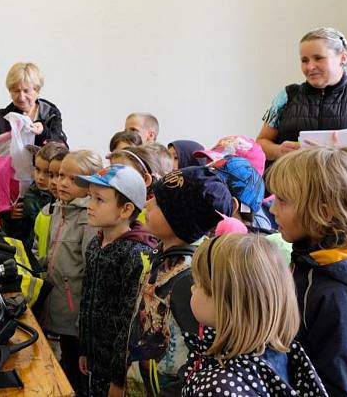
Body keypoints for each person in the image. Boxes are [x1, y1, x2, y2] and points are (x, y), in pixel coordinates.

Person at [267, 146, 347, 396]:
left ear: (324, 213)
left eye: (282, 200)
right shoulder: (311, 257)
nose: (272, 209)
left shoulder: (340, 297)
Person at [111, 167, 233, 397]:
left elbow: (195, 357)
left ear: (180, 219)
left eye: (157, 203)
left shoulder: (189, 279)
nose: (147, 205)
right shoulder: (162, 256)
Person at [256, 27, 347, 224]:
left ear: (343, 58)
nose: (309, 66)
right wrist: (279, 151)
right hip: (299, 208)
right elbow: (261, 143)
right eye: (304, 60)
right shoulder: (287, 96)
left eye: (318, 58)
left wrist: (332, 159)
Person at [182, 234, 328, 396]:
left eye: (199, 283)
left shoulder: (218, 387)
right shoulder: (280, 351)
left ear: (227, 302)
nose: (192, 289)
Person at [76, 165, 155, 397]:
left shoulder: (136, 255)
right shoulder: (95, 243)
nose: (90, 205)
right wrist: (85, 348)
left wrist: (119, 379)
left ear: (125, 210)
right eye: (90, 196)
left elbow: (128, 325)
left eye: (99, 199)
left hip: (115, 371)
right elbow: (87, 299)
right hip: (93, 359)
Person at [0, 62, 67, 235]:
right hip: (12, 204)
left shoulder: (50, 114)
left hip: (45, 198)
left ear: (37, 90)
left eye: (26, 91)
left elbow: (62, 153)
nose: (21, 97)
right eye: (15, 90)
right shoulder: (0, 118)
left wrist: (43, 132)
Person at [39, 150, 102, 391]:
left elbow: (89, 272)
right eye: (61, 175)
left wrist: (82, 319)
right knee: (64, 362)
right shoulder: (59, 209)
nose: (61, 182)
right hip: (58, 306)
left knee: (76, 371)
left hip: (75, 314)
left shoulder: (88, 218)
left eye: (73, 179)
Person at [20, 142, 66, 252]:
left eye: (47, 173)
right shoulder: (30, 196)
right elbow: (22, 233)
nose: (40, 177)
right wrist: (9, 219)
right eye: (37, 169)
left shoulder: (66, 199)